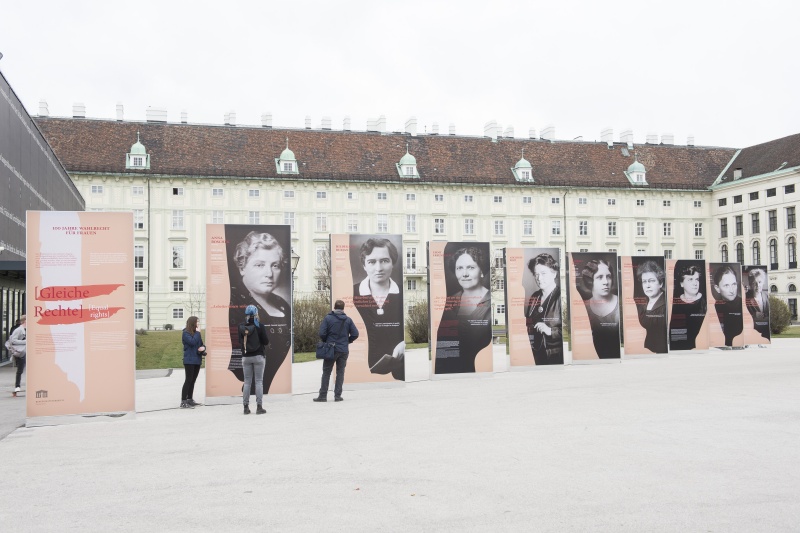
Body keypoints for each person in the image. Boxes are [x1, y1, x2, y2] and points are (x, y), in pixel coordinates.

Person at [227, 231, 291, 396]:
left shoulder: (282, 304)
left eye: (275, 265)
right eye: (259, 265)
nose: (269, 274)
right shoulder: (232, 302)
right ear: (242, 267)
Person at [352, 238, 405, 380]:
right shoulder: (351, 294)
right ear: (364, 265)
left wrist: (404, 344)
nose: (378, 268)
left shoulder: (402, 293)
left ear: (393, 263)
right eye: (371, 262)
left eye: (384, 261)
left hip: (398, 374)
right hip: (360, 371)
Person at [435, 246, 492, 373]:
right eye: (459, 268)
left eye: (471, 267)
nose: (464, 274)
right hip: (451, 370)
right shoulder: (450, 301)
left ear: (481, 271)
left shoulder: (490, 302)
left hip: (479, 369)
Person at [314, 300, 359, 402]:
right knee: (340, 372)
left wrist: (327, 341)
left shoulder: (328, 318)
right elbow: (355, 334)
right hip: (343, 350)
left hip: (331, 349)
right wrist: (347, 341)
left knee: (326, 372)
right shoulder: (348, 320)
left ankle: (323, 396)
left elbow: (322, 333)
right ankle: (338, 396)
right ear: (343, 308)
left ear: (334, 307)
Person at [524, 253, 563, 365]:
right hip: (536, 355)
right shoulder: (535, 296)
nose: (539, 278)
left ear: (554, 274)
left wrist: (551, 331)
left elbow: (572, 329)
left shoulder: (561, 296)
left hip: (556, 356)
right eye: (536, 274)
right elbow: (528, 322)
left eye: (543, 273)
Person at [578, 258, 620, 359]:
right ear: (590, 281)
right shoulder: (583, 308)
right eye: (600, 277)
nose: (606, 282)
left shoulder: (621, 303)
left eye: (608, 276)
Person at [238, 305, 269, 415]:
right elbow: (266, 342)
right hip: (258, 356)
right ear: (256, 314)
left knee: (247, 382)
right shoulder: (260, 326)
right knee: (259, 382)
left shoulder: (241, 327)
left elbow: (240, 341)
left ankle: (245, 408)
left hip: (246, 357)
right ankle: (259, 407)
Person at [669, 263, 707, 350]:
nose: (695, 283)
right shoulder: (674, 304)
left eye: (697, 279)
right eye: (690, 279)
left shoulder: (705, 303)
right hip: (678, 348)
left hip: (700, 349)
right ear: (681, 283)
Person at [635, 260, 668, 354]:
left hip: (660, 353)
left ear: (660, 283)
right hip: (645, 352)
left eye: (651, 281)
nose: (647, 286)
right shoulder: (641, 304)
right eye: (644, 282)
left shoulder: (666, 304)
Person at [713, 265, 744, 347]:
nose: (732, 290)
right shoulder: (713, 307)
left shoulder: (744, 305)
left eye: (734, 284)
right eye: (726, 285)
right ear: (717, 288)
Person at [180, 316, 205, 409]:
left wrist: (203, 348)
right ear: (192, 323)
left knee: (193, 380)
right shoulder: (185, 333)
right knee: (188, 380)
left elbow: (201, 344)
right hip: (189, 360)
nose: (198, 324)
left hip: (197, 360)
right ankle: (183, 401)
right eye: (197, 322)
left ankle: (189, 399)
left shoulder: (196, 333)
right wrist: (198, 333)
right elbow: (192, 342)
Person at [745, 268, 770, 340]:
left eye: (760, 282)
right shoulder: (745, 298)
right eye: (754, 283)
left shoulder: (767, 296)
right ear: (750, 284)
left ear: (763, 282)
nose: (758, 285)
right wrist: (754, 315)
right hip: (751, 332)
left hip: (764, 332)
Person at [8, 315, 26, 396]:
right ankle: (17, 386)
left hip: (26, 351)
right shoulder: (18, 330)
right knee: (20, 370)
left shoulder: (28, 329)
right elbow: (13, 340)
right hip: (21, 352)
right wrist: (25, 341)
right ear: (25, 320)